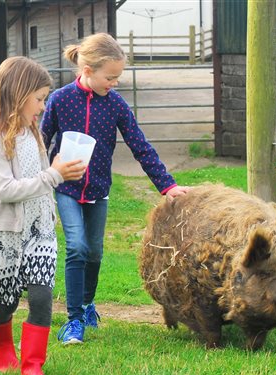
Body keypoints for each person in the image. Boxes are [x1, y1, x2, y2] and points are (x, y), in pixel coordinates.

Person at [41, 32, 191, 345]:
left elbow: (140, 146)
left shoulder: (116, 105)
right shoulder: (59, 99)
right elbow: (40, 142)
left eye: (118, 77)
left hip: (98, 190)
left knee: (94, 252)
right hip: (66, 188)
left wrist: (168, 186)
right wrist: (41, 176)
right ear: (88, 71)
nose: (115, 82)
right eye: (110, 77)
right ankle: (74, 321)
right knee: (77, 247)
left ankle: (86, 303)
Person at [0, 56, 85, 375]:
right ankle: (2, 348)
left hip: (39, 230)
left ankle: (33, 366)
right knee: (5, 303)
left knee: (40, 298)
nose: (42, 106)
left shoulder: (33, 132)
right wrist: (53, 175)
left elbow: (38, 177)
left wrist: (54, 170)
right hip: (5, 234)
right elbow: (7, 190)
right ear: (18, 94)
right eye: (39, 98)